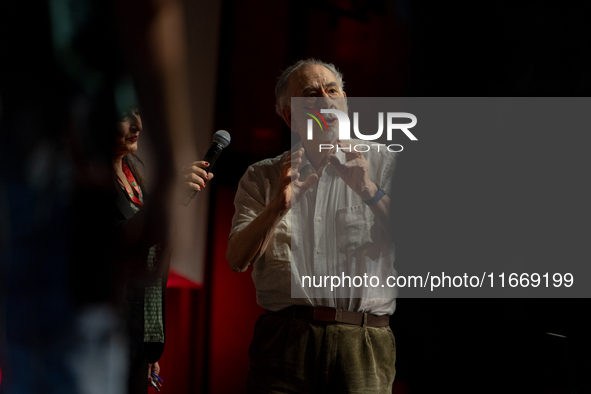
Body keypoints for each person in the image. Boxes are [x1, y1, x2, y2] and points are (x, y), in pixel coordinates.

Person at [227, 59, 397, 393]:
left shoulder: (386, 163)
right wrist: (278, 206)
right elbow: (236, 259)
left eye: (332, 90)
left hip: (363, 342)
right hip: (284, 340)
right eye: (310, 93)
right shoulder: (262, 176)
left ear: (345, 102)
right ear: (290, 116)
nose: (325, 99)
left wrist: (369, 191)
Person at [113, 107, 212, 393]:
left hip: (138, 336)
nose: (138, 124)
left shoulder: (134, 176)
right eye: (124, 116)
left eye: (138, 112)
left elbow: (152, 273)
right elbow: (107, 246)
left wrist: (150, 345)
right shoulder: (87, 176)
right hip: (108, 334)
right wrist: (164, 197)